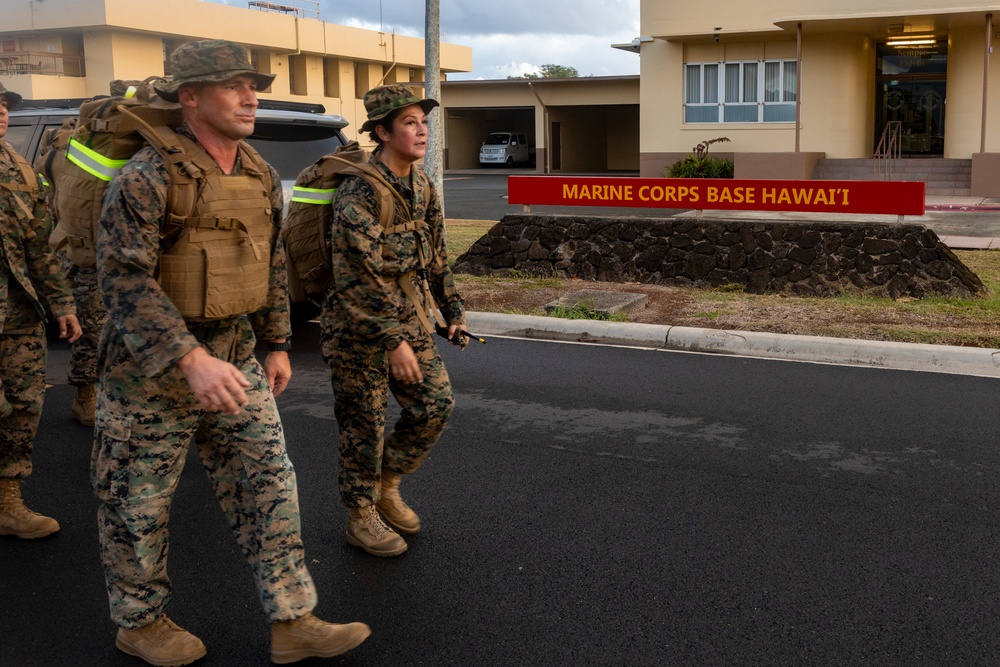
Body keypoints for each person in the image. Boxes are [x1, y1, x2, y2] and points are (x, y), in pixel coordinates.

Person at [92, 41, 369, 665]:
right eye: (232, 86)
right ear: (190, 97)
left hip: (236, 356)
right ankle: (139, 624)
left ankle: (293, 619)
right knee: (136, 500)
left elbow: (270, 263)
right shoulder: (148, 176)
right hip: (151, 374)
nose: (251, 98)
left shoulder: (258, 172)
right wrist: (188, 359)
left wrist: (275, 342)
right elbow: (122, 281)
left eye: (254, 85)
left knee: (269, 481)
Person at [321, 84, 468, 557]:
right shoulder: (359, 191)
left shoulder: (423, 185)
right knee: (364, 422)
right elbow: (354, 277)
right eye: (409, 122)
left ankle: (387, 485)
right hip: (356, 327)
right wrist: (392, 341)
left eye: (423, 121)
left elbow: (437, 256)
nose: (421, 129)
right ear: (382, 132)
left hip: (406, 317)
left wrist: (454, 313)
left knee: (434, 404)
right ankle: (359, 515)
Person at [0, 82, 82, 539]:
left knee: (23, 406)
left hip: (19, 313)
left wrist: (62, 303)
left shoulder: (18, 169)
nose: (2, 113)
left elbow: (41, 247)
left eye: (4, 105)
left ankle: (7, 501)